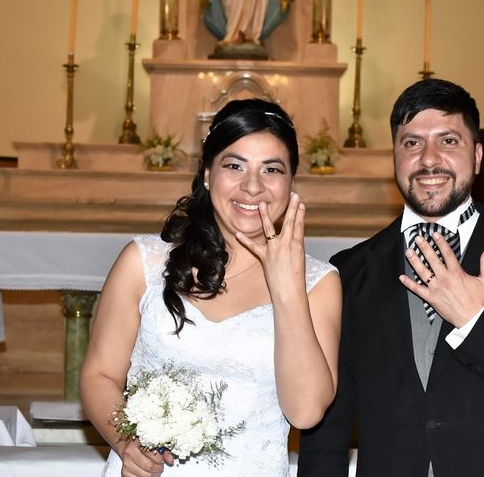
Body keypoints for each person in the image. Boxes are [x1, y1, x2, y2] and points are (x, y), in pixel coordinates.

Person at [298, 79, 484, 476]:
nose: (429, 159)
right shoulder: (350, 270)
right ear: (395, 157)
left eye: (448, 141)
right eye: (412, 143)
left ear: (478, 155)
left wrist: (476, 321)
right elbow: (327, 428)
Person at [81, 99, 341, 476]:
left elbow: (306, 411)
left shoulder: (320, 284)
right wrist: (126, 442)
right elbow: (99, 374)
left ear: (291, 183)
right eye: (234, 166)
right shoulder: (143, 262)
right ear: (207, 174)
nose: (252, 186)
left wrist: (287, 289)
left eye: (271, 169)